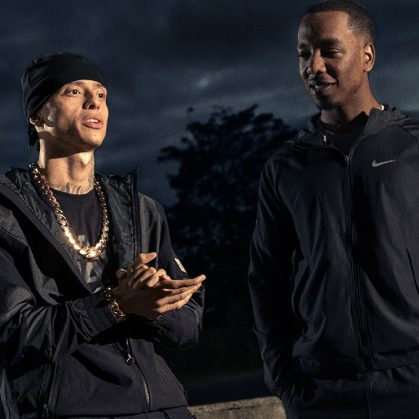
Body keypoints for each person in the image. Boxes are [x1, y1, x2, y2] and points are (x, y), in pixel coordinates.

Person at [0, 52, 205, 419]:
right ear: (37, 116)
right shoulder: (6, 215)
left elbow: (187, 331)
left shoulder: (142, 210)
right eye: (73, 91)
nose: (94, 102)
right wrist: (114, 305)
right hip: (70, 409)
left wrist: (156, 306)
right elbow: (13, 336)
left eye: (101, 94)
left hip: (165, 408)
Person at [248, 1, 419, 418]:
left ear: (367, 56)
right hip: (323, 392)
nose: (314, 66)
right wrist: (285, 380)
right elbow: (266, 278)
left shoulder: (412, 146)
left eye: (329, 50)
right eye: (304, 53)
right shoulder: (286, 167)